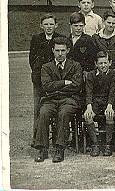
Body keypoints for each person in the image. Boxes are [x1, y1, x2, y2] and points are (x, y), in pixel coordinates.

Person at [33, 37, 83, 163]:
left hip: (69, 100)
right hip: (50, 100)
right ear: (53, 50)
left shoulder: (75, 66)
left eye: (63, 50)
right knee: (43, 112)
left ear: (68, 51)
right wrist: (64, 82)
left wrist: (56, 88)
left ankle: (59, 149)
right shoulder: (46, 67)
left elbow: (76, 86)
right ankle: (42, 149)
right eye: (57, 50)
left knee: (64, 113)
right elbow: (46, 86)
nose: (60, 54)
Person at [29, 14, 65, 146]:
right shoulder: (36, 39)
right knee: (38, 108)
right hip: (39, 80)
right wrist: (39, 73)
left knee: (54, 106)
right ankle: (36, 138)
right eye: (46, 24)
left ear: (56, 25)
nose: (49, 27)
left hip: (54, 80)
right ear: (41, 26)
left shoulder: (60, 38)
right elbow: (32, 59)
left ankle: (57, 137)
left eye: (51, 24)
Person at [84, 51, 115, 157]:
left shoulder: (114, 74)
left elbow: (113, 92)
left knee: (109, 114)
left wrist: (110, 106)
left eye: (105, 63)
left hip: (108, 101)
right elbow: (88, 92)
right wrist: (89, 107)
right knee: (88, 116)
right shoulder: (91, 75)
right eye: (100, 63)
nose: (103, 65)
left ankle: (108, 144)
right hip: (95, 102)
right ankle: (95, 144)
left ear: (109, 62)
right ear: (96, 64)